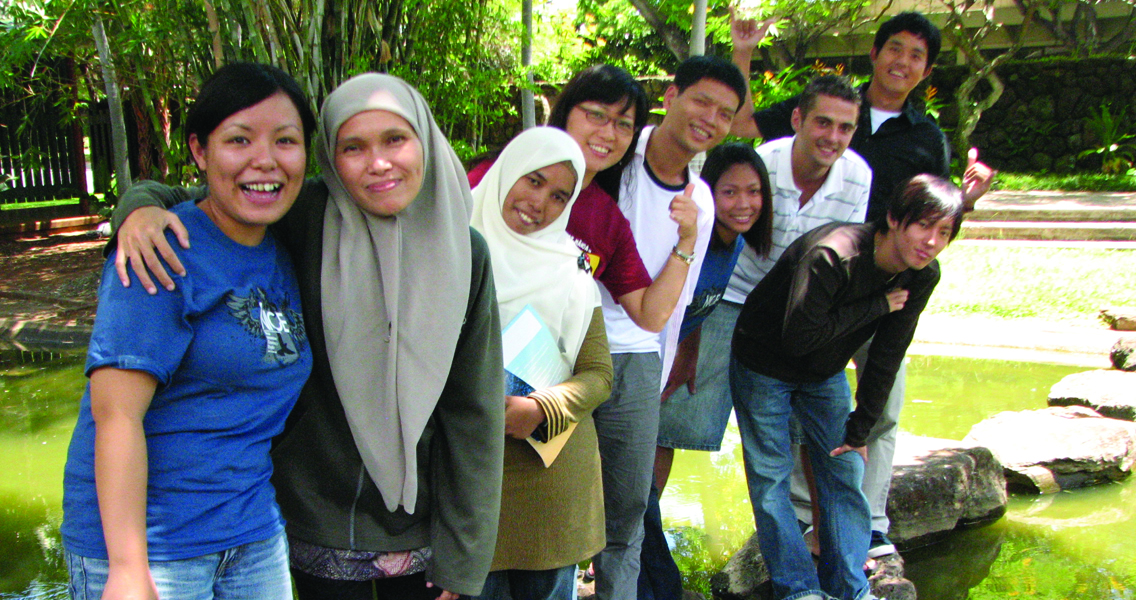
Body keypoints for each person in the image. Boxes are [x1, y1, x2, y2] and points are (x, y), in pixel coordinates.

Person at [109, 73, 505, 600]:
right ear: (330, 159)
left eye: (395, 139)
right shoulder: (301, 218)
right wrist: (137, 208)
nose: (379, 163)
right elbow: (198, 203)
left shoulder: (465, 254)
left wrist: (464, 557)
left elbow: (474, 412)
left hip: (419, 534)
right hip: (306, 524)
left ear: (425, 142)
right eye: (353, 147)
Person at [730, 11, 996, 557]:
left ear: (926, 71)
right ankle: (809, 515)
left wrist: (965, 202)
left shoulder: (926, 135)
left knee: (880, 398)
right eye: (895, 48)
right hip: (819, 281)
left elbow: (936, 212)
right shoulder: (833, 107)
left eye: (917, 55)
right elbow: (743, 125)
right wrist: (743, 54)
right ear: (874, 54)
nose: (903, 62)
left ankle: (867, 520)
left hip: (885, 284)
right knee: (807, 396)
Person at [61, 62, 316, 599]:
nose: (264, 160)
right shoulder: (162, 248)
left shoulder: (286, 244)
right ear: (200, 151)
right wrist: (128, 568)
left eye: (285, 140)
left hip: (250, 532)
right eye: (239, 139)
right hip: (154, 547)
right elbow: (115, 415)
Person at [730, 174, 965, 600]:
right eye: (923, 226)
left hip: (824, 371)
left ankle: (850, 589)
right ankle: (799, 590)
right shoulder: (833, 255)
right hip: (764, 360)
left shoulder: (921, 275)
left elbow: (887, 354)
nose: (931, 241)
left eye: (944, 232)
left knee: (844, 468)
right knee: (771, 479)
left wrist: (860, 429)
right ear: (894, 219)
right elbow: (797, 338)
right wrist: (876, 305)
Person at [592, 55, 747, 600]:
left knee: (628, 511)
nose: (710, 118)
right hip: (567, 348)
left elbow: (675, 304)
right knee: (551, 502)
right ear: (671, 95)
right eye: (701, 101)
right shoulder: (612, 157)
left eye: (725, 113)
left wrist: (657, 375)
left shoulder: (700, 200)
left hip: (636, 358)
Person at [469, 126, 612, 600]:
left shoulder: (569, 270)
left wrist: (540, 410)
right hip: (468, 486)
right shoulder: (446, 250)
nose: (540, 203)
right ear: (507, 169)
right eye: (532, 180)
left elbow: (598, 376)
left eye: (558, 195)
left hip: (548, 484)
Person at [640, 142, 774, 599]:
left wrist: (690, 345)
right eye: (730, 192)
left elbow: (696, 305)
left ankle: (641, 547)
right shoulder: (690, 236)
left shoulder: (733, 242)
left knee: (662, 440)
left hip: (672, 354)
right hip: (638, 357)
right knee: (629, 472)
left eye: (753, 192)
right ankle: (650, 573)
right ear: (708, 194)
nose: (743, 204)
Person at [469, 64, 694, 335]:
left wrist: (687, 240)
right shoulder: (501, 172)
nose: (609, 134)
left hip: (535, 362)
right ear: (566, 112)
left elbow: (651, 315)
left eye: (623, 125)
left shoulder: (607, 222)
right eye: (597, 115)